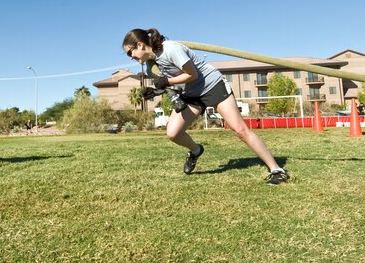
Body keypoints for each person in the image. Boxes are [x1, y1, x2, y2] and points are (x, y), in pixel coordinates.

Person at [122, 28, 289, 185]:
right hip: (192, 95)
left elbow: (191, 74)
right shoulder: (152, 67)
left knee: (239, 129)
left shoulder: (171, 49)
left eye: (130, 52)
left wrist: (166, 81)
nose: (130, 57)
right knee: (173, 133)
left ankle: (277, 170)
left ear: (140, 45)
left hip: (212, 86)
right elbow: (172, 86)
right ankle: (195, 150)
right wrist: (155, 91)